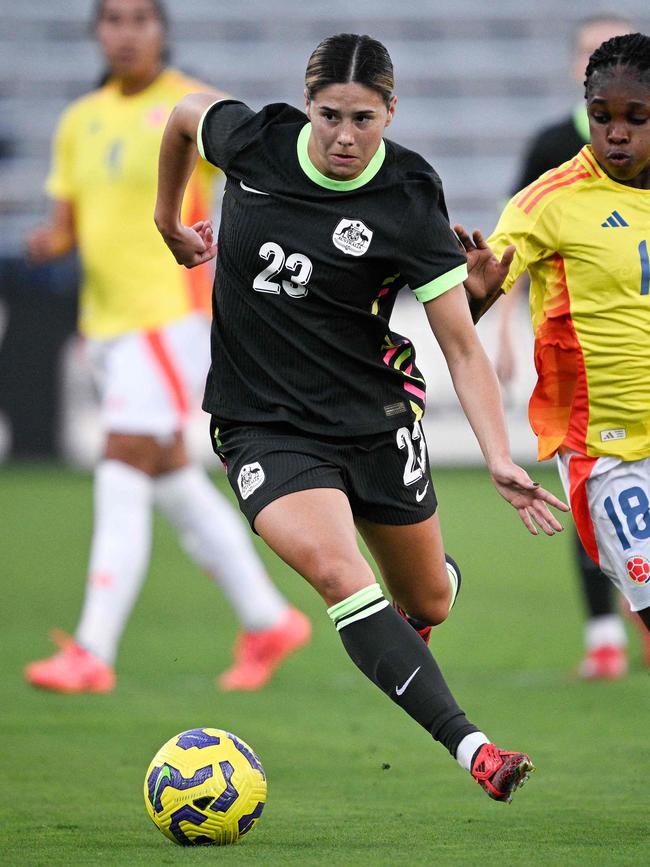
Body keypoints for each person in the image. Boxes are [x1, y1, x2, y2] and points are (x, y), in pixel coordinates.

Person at [154, 32, 569, 803]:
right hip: (262, 425)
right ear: (307, 105)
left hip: (375, 419)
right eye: (329, 114)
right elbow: (182, 115)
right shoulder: (255, 141)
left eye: (364, 118)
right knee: (340, 572)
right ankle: (474, 748)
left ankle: (422, 592)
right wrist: (167, 217)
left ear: (391, 111)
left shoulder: (410, 194)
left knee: (429, 602)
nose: (344, 135)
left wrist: (497, 452)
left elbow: (459, 344)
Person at [24, 0, 311, 695]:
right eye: (113, 20)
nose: (126, 32)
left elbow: (258, 150)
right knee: (169, 476)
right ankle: (267, 618)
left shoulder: (189, 106)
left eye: (140, 18)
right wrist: (45, 244)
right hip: (108, 326)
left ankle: (93, 648)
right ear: (96, 32)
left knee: (121, 460)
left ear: (162, 29)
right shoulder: (80, 120)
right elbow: (68, 226)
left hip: (168, 316)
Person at [458, 33, 650, 647]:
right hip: (608, 453)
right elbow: (477, 296)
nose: (615, 133)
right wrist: (480, 289)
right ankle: (602, 636)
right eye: (602, 117)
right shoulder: (551, 201)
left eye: (634, 118)